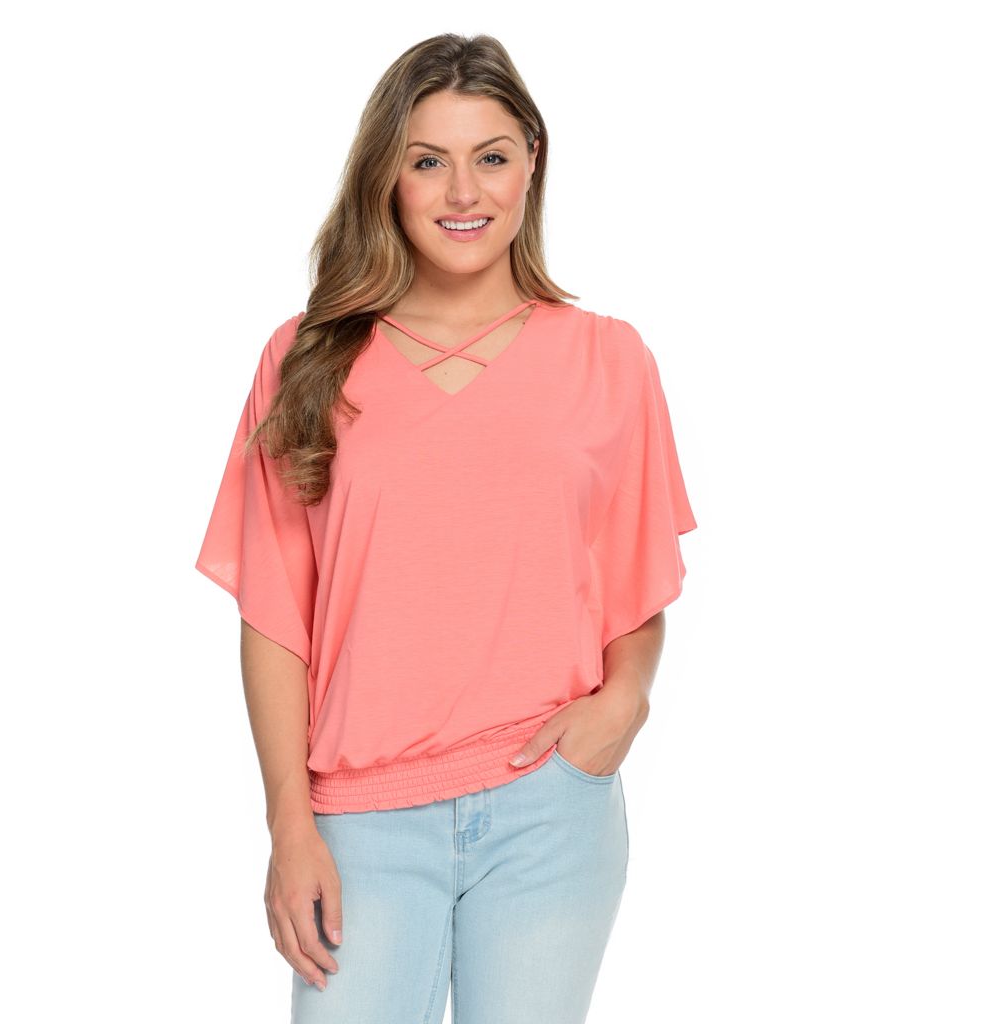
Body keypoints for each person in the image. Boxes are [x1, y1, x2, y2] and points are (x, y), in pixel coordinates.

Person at [195, 32, 697, 1024]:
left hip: (549, 811)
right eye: (428, 161)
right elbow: (275, 616)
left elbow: (635, 589)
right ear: (388, 175)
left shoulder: (610, 360)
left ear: (531, 164)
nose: (463, 191)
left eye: (491, 156)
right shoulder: (306, 359)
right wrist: (289, 826)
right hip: (359, 822)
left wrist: (625, 703)